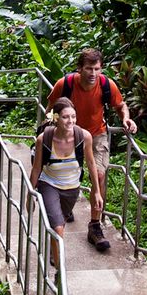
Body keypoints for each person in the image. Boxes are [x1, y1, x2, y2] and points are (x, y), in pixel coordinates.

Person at [46, 48, 137, 252]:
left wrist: (125, 118)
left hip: (97, 134)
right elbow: (50, 108)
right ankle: (67, 206)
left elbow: (121, 105)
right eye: (89, 68)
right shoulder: (66, 84)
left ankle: (95, 226)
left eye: (97, 68)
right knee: (68, 172)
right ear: (80, 69)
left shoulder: (106, 85)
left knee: (100, 173)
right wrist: (51, 131)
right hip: (70, 133)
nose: (93, 73)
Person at [29, 96, 103, 271]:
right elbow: (36, 168)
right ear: (56, 118)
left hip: (71, 188)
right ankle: (58, 268)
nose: (70, 121)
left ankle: (53, 248)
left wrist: (97, 192)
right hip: (49, 184)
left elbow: (91, 165)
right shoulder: (43, 139)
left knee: (59, 225)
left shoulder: (83, 137)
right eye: (65, 117)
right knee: (58, 227)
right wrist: (30, 193)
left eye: (73, 116)